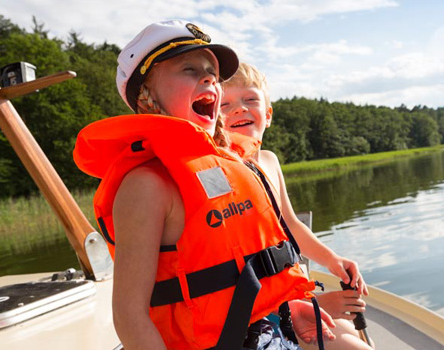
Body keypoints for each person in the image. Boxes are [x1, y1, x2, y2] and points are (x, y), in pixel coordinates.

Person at [72, 20, 360, 350]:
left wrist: (287, 310)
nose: (209, 78)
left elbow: (242, 281)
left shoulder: (235, 165)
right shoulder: (146, 186)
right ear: (146, 96)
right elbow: (129, 317)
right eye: (189, 70)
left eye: (212, 72)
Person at [221, 62, 373, 350]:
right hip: (263, 314)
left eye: (250, 99)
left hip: (295, 296)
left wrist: (332, 260)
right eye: (225, 104)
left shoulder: (269, 161)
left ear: (267, 114)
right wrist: (307, 303)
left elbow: (290, 223)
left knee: (351, 334)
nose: (239, 109)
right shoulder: (222, 174)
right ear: (214, 119)